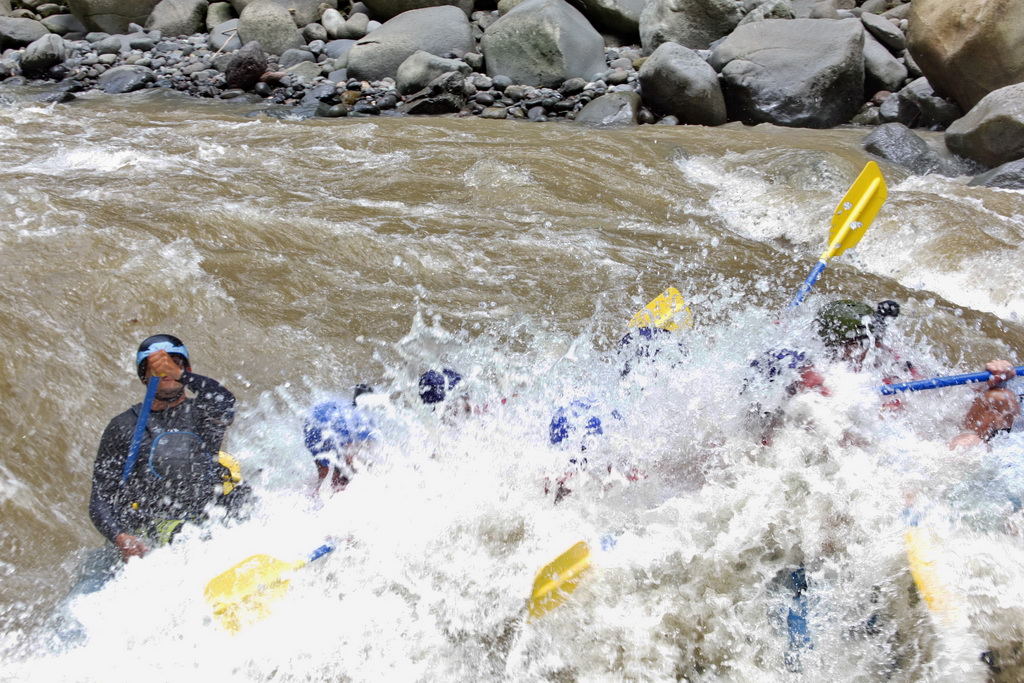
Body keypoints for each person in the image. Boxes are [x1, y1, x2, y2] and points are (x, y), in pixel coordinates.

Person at [89, 334, 249, 564]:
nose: (167, 371)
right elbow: (100, 498)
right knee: (182, 534)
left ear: (187, 369)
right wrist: (120, 537)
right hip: (158, 524)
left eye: (176, 363)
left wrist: (181, 376)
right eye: (156, 367)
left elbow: (225, 400)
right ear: (144, 376)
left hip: (209, 513)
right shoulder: (124, 426)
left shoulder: (203, 413)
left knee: (243, 497)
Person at [304, 385, 379, 495]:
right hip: (323, 421)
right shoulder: (364, 426)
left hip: (320, 417)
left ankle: (322, 489)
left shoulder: (362, 426)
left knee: (330, 472)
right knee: (353, 465)